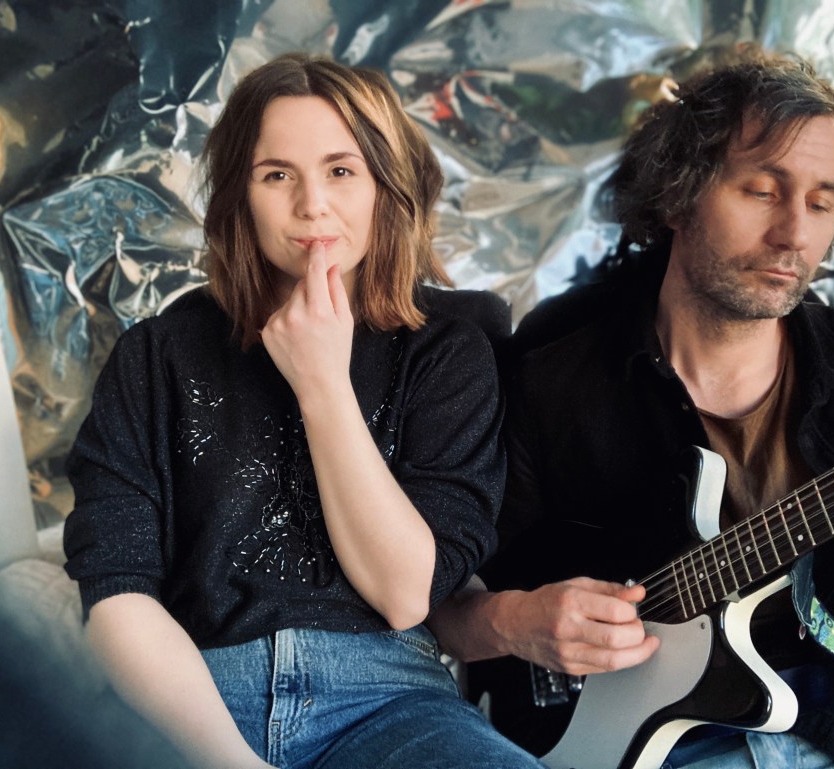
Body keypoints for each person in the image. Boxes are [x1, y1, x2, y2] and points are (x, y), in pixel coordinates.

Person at [428, 47, 834, 769]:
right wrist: (512, 621)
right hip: (638, 738)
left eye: (821, 203)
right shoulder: (554, 375)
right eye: (763, 191)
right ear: (677, 194)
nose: (794, 234)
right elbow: (443, 604)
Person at [63, 53, 544, 769]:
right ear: (240, 196)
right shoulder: (155, 355)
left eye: (341, 170)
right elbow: (116, 594)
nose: (312, 204)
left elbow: (405, 593)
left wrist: (322, 383)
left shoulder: (448, 352)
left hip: (391, 700)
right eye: (277, 174)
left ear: (385, 185)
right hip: (192, 702)